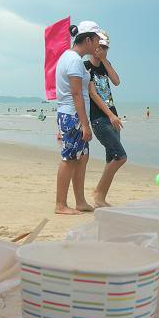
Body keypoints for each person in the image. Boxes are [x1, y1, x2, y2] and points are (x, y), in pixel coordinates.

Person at [54, 21, 100, 215]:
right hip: (72, 115)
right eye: (96, 40)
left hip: (73, 114)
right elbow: (75, 94)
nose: (98, 44)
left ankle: (80, 201)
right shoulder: (73, 60)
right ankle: (60, 205)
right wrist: (85, 124)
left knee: (82, 158)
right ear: (88, 39)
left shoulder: (71, 58)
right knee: (70, 159)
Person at [85, 30, 126, 208]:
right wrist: (110, 115)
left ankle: (101, 197)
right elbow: (93, 94)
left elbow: (116, 81)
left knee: (112, 158)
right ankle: (98, 193)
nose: (103, 50)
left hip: (112, 116)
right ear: (93, 46)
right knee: (120, 156)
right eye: (101, 47)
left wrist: (104, 60)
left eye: (106, 48)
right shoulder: (86, 66)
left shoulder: (104, 64)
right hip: (100, 118)